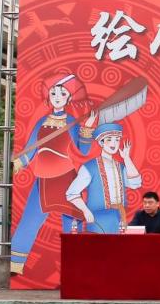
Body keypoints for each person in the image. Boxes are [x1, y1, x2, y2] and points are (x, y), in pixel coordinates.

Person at [10, 73, 96, 274]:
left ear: (69, 97)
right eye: (54, 92)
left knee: (72, 223)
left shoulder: (73, 122)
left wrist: (87, 130)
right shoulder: (42, 121)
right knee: (30, 219)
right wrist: (17, 164)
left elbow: (82, 152)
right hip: (43, 180)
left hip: (67, 179)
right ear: (49, 95)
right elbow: (31, 149)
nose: (57, 96)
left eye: (63, 93)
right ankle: (15, 264)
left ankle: (75, 267)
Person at [65, 123, 142, 235]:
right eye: (109, 139)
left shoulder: (120, 166)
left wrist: (126, 158)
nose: (113, 144)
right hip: (98, 219)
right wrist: (86, 211)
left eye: (117, 140)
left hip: (119, 218)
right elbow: (71, 193)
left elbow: (136, 183)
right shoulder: (90, 167)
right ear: (101, 143)